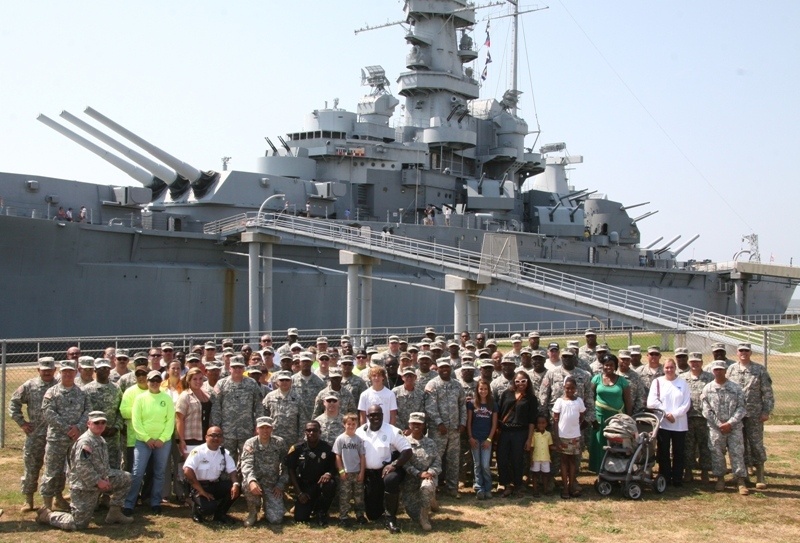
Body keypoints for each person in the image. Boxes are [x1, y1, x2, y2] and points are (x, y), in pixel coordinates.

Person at [36, 411, 133, 530]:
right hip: (83, 486)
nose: (100, 425)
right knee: (78, 524)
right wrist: (99, 482)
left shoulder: (100, 439)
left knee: (125, 478)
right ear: (88, 424)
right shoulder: (85, 442)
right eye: (96, 422)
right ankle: (48, 515)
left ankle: (114, 513)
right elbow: (83, 467)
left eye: (103, 422)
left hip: (99, 480)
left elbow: (103, 466)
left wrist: (106, 479)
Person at [40, 359, 91, 512]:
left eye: (71, 371)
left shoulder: (82, 392)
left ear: (76, 372)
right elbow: (48, 413)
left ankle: (62, 499)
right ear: (60, 373)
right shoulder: (52, 392)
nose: (68, 374)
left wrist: (78, 428)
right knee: (52, 471)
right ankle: (46, 505)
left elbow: (88, 412)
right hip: (57, 439)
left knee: (76, 470)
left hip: (76, 439)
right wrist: (67, 429)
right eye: (65, 371)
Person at [9, 356, 58, 512]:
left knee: (55, 469)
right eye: (44, 370)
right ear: (38, 370)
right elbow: (13, 403)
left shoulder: (60, 385)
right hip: (35, 434)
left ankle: (57, 498)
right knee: (31, 467)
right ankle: (28, 500)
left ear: (54, 370)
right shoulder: (30, 386)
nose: (47, 373)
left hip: (56, 435)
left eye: (50, 370)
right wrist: (22, 423)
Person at [123, 370, 175, 515]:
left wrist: (162, 439)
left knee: (159, 472)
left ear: (160, 382)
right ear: (147, 381)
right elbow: (136, 421)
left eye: (157, 380)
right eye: (152, 380)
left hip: (162, 443)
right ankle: (129, 503)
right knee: (137, 472)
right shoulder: (140, 398)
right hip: (142, 442)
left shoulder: (167, 398)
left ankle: (155, 502)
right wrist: (147, 438)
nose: (154, 383)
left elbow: (170, 421)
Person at [356, 404, 412, 533]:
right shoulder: (360, 432)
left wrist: (394, 464)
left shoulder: (392, 431)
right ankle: (382, 506)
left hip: (387, 471)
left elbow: (407, 451)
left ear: (383, 415)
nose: (375, 417)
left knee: (391, 480)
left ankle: (390, 518)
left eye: (378, 414)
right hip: (370, 476)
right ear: (367, 416)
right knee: (373, 515)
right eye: (372, 415)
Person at [726, 342, 774, 489]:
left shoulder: (759, 370)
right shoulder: (731, 369)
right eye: (741, 351)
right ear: (737, 352)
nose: (743, 353)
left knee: (756, 444)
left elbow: (768, 393)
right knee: (738, 445)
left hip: (754, 414)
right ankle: (742, 475)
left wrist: (766, 411)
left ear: (750, 353)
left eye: (746, 351)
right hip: (736, 416)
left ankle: (760, 474)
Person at [702, 361, 749, 495]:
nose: (718, 372)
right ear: (713, 371)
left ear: (726, 371)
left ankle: (740, 480)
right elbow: (706, 410)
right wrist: (719, 424)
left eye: (721, 370)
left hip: (734, 428)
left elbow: (741, 407)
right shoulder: (708, 388)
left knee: (737, 453)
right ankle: (720, 479)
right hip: (716, 428)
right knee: (717, 453)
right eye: (716, 370)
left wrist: (730, 423)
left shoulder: (736, 388)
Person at [423, 358, 466, 498]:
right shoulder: (432, 385)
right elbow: (430, 407)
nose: (445, 369)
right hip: (438, 431)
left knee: (453, 459)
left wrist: (463, 422)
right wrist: (439, 423)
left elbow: (462, 405)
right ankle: (432, 489)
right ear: (438, 369)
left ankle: (452, 488)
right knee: (435, 459)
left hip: (454, 430)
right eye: (442, 367)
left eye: (447, 367)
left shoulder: (457, 385)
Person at [210, 355, 263, 463]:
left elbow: (258, 406)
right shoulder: (222, 384)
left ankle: (246, 479)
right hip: (227, 431)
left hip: (246, 430)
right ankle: (228, 480)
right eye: (234, 367)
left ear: (244, 368)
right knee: (226, 459)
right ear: (230, 368)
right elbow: (216, 408)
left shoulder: (251, 383)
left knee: (248, 458)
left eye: (240, 367)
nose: (237, 370)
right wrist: (216, 428)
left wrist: (258, 426)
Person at [647, 358, 691, 488]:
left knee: (678, 452)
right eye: (667, 368)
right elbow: (651, 402)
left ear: (675, 368)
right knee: (663, 451)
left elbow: (686, 404)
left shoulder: (683, 383)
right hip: (663, 423)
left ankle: (677, 478)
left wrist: (675, 415)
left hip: (679, 424)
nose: (669, 370)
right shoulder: (657, 382)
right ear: (663, 369)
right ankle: (664, 477)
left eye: (671, 367)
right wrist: (666, 414)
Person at [183, 426, 241, 523]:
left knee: (236, 487)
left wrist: (235, 484)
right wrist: (201, 491)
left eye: (219, 436)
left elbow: (232, 471)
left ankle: (220, 514)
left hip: (214, 484)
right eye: (213, 436)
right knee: (208, 509)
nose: (216, 438)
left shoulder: (224, 453)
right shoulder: (198, 451)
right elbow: (187, 471)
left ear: (222, 438)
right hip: (198, 486)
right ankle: (195, 509)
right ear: (206, 437)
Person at [286, 420, 337, 526]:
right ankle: (309, 506)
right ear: (305, 432)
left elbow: (333, 467)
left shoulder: (327, 448)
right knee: (301, 519)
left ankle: (321, 512)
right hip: (304, 487)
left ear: (320, 432)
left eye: (315, 430)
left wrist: (328, 474)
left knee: (330, 484)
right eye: (309, 430)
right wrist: (299, 493)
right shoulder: (297, 449)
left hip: (319, 485)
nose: (311, 433)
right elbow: (291, 470)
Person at [496, 370, 538, 498]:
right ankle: (506, 484)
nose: (520, 384)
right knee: (502, 458)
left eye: (523, 381)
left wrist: (529, 438)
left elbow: (532, 421)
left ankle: (518, 485)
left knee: (517, 459)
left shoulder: (531, 398)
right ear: (514, 382)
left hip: (520, 432)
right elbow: (499, 412)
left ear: (528, 382)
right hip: (505, 431)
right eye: (518, 381)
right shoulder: (506, 394)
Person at [589, 354, 632, 473]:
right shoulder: (596, 379)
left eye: (611, 365)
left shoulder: (622, 381)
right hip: (600, 418)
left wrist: (628, 418)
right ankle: (599, 469)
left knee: (616, 444)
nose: (608, 367)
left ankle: (615, 468)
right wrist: (592, 416)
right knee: (600, 443)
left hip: (617, 419)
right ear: (602, 366)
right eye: (606, 365)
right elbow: (589, 397)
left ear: (615, 366)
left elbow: (628, 401)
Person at [401, 412, 441, 532]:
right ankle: (431, 499)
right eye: (413, 423)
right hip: (410, 481)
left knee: (426, 487)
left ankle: (424, 518)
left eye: (419, 423)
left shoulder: (431, 443)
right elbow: (403, 463)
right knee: (413, 515)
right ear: (409, 424)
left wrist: (429, 473)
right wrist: (418, 473)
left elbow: (437, 462)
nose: (416, 426)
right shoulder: (404, 442)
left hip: (428, 479)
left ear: (424, 425)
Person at [82, 358, 123, 470]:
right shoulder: (87, 390)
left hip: (113, 437)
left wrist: (116, 427)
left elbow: (120, 410)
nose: (104, 371)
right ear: (95, 370)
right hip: (94, 437)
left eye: (106, 368)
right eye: (101, 369)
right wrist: (97, 429)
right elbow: (84, 412)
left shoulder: (116, 388)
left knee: (114, 468)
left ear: (110, 370)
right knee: (95, 467)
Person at [552, 376, 586, 499]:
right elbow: (555, 420)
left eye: (572, 388)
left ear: (575, 388)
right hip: (562, 436)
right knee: (563, 461)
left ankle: (571, 485)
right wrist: (556, 438)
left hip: (575, 436)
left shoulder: (579, 401)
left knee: (572, 462)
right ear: (563, 388)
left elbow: (582, 416)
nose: (570, 390)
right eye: (567, 388)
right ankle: (565, 488)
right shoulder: (559, 402)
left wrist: (575, 427)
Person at [683, 352, 713, 483]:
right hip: (687, 417)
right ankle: (688, 471)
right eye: (692, 362)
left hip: (704, 417)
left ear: (702, 363)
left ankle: (705, 472)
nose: (695, 364)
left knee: (705, 445)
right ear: (689, 363)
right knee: (688, 446)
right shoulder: (682, 378)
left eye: (697, 361)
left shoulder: (710, 378)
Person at [333, 413, 367, 527]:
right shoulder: (340, 439)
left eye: (353, 424)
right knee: (344, 496)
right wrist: (341, 471)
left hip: (357, 472)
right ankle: (343, 517)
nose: (351, 426)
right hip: (345, 474)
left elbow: (362, 456)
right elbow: (337, 456)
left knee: (359, 496)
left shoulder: (359, 440)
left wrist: (362, 472)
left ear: (357, 425)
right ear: (344, 425)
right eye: (349, 424)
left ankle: (360, 515)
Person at [467, 379, 497, 500]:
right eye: (481, 389)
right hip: (475, 438)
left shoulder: (493, 404)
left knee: (485, 464)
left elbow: (494, 424)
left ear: (488, 390)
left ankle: (488, 488)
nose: (483, 391)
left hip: (486, 439)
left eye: (485, 389)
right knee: (477, 463)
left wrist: (489, 439)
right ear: (477, 390)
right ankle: (479, 488)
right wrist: (470, 437)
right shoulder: (472, 403)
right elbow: (469, 422)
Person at [393, 367, 424, 433]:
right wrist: (402, 429)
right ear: (402, 378)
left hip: (415, 431)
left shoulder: (421, 394)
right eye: (406, 376)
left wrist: (411, 430)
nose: (409, 378)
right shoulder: (395, 392)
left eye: (411, 376)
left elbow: (421, 412)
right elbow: (393, 412)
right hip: (397, 429)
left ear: (415, 378)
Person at [530, 415, 554, 497]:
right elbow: (532, 447)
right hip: (536, 458)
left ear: (546, 424)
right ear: (536, 424)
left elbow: (550, 446)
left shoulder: (548, 434)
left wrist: (558, 447)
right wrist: (531, 459)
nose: (541, 425)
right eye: (539, 423)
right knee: (535, 474)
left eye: (543, 423)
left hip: (546, 458)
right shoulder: (533, 434)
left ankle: (545, 489)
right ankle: (535, 490)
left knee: (545, 474)